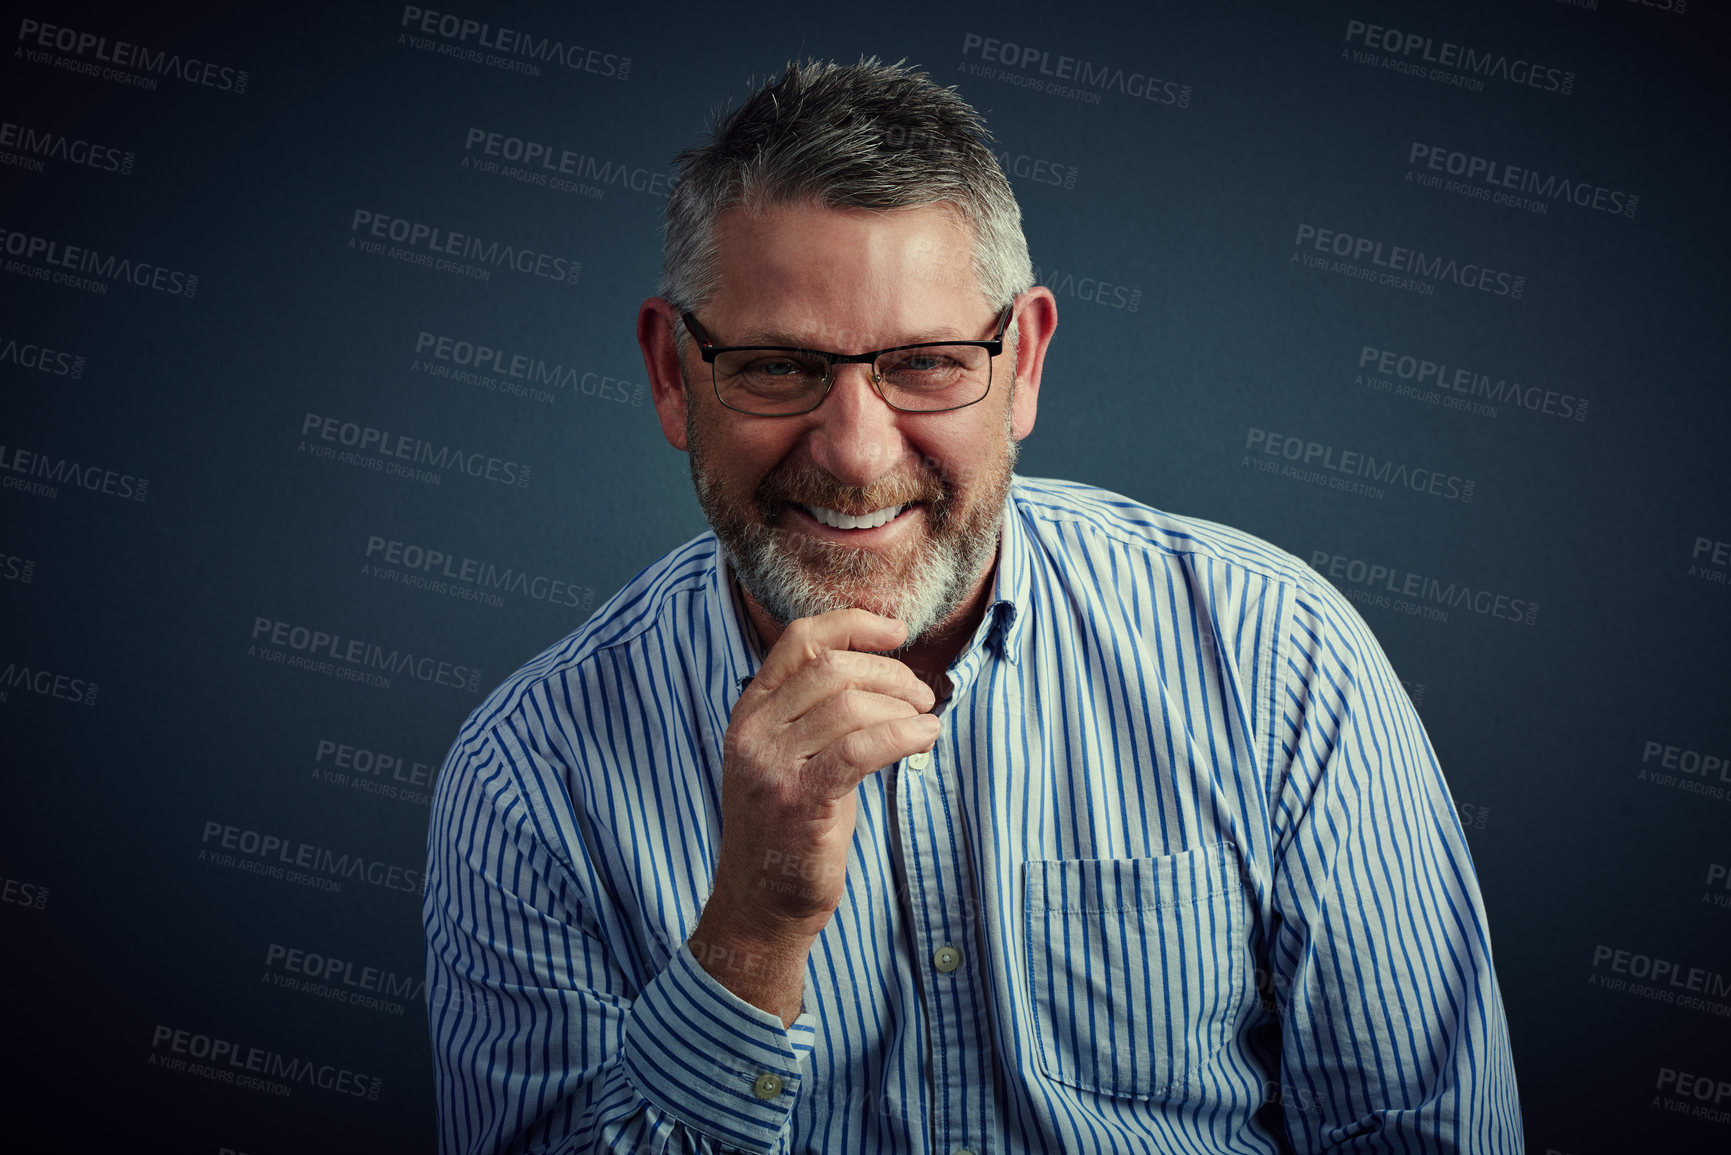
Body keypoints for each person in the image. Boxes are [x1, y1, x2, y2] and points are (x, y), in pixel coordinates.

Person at [424, 59, 1520, 1154]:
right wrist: (750, 939)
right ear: (673, 375)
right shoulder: (528, 783)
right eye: (773, 368)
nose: (855, 452)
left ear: (1025, 361)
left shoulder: (1276, 656)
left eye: (929, 364)